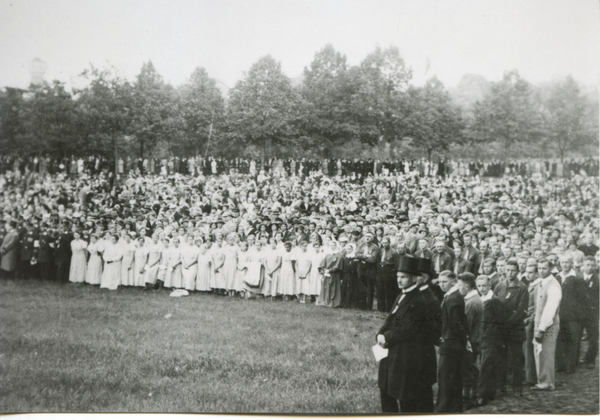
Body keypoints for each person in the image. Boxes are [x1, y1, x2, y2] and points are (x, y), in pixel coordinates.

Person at [376, 256, 430, 413]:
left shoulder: (418, 300)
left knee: (403, 393)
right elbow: (390, 319)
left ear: (414, 278)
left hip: (405, 354)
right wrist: (380, 334)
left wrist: (386, 337)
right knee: (385, 389)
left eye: (403, 277)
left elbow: (407, 329)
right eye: (398, 276)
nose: (399, 280)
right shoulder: (401, 295)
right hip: (391, 350)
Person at [435, 270, 470, 413]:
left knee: (446, 380)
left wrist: (463, 339)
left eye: (445, 282)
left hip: (450, 344)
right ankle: (455, 409)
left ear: (453, 282)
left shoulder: (452, 298)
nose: (441, 285)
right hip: (453, 343)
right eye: (440, 282)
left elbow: (457, 323)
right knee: (453, 380)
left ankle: (442, 411)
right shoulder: (453, 296)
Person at [493, 259, 528, 396]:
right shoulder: (499, 286)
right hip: (501, 330)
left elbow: (521, 311)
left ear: (518, 271)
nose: (510, 273)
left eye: (513, 270)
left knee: (515, 360)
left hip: (515, 329)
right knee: (501, 359)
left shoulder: (522, 288)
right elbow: (494, 305)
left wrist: (506, 325)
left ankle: (517, 387)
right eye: (508, 270)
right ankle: (501, 386)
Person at [531, 259, 562, 391]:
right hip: (540, 324)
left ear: (551, 269)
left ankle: (547, 382)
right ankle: (543, 380)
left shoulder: (553, 285)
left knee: (546, 353)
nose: (541, 271)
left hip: (547, 325)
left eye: (544, 268)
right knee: (540, 352)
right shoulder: (542, 283)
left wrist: (541, 329)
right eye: (539, 268)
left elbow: (550, 310)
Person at [475, 274, 506, 406]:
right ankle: (489, 392)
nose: (482, 288)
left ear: (490, 286)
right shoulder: (480, 299)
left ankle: (482, 395)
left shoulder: (494, 300)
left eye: (484, 286)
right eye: (479, 286)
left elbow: (500, 322)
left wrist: (496, 339)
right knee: (484, 365)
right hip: (481, 337)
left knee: (486, 366)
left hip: (491, 339)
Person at [555, 255, 588, 374]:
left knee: (573, 341)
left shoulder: (576, 279)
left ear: (571, 264)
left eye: (567, 262)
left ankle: (570, 366)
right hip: (560, 315)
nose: (564, 265)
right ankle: (561, 365)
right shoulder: (557, 277)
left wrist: (579, 315)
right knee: (560, 340)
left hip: (573, 316)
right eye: (562, 262)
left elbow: (583, 299)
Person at [457, 272, 483, 407]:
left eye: (460, 285)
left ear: (466, 287)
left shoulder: (471, 303)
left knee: (468, 369)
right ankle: (474, 395)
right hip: (476, 340)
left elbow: (466, 325)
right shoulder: (475, 299)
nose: (458, 288)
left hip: (471, 341)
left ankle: (468, 398)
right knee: (471, 368)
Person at [581, 256, 599, 369]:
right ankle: (576, 359)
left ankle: (590, 359)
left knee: (593, 336)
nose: (590, 267)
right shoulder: (577, 278)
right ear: (583, 265)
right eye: (588, 265)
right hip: (578, 312)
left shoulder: (598, 280)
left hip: (592, 312)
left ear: (596, 266)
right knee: (577, 335)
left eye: (592, 265)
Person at [355, 231, 379, 310]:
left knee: (369, 287)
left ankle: (369, 307)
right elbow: (356, 255)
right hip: (361, 267)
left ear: (372, 238)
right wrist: (365, 256)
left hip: (370, 268)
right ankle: (362, 306)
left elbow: (373, 259)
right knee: (361, 287)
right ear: (364, 238)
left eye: (369, 236)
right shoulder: (361, 245)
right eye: (366, 236)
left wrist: (362, 257)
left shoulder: (375, 247)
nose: (367, 238)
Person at [376, 236, 400, 312]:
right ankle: (381, 308)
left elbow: (396, 265)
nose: (384, 244)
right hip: (381, 272)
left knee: (389, 291)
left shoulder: (394, 252)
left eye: (386, 243)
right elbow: (377, 261)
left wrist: (392, 273)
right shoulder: (380, 251)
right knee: (380, 290)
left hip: (389, 272)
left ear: (389, 243)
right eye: (383, 243)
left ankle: (389, 308)